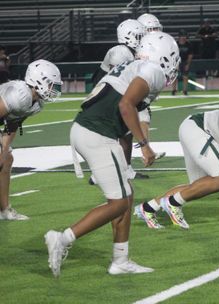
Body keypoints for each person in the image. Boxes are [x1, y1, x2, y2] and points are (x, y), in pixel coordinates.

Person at [44, 32, 180, 277]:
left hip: (91, 130)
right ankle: (62, 238)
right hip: (96, 133)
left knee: (126, 195)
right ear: (166, 55)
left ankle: (120, 260)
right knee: (118, 203)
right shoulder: (153, 71)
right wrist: (145, 145)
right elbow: (125, 106)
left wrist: (126, 163)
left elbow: (125, 123)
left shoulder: (133, 66)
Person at [0, 59, 62, 220]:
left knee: (6, 159)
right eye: (50, 84)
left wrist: (4, 149)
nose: (52, 89)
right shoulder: (18, 94)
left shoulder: (36, 104)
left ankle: (4, 210)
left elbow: (13, 124)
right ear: (38, 80)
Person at [89, 19, 149, 183]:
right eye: (139, 35)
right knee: (112, 137)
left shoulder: (130, 52)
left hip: (113, 94)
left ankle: (126, 169)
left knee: (126, 134)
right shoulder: (120, 51)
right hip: (106, 95)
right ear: (128, 36)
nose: (142, 39)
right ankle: (98, 173)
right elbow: (119, 80)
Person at [172, 29, 194, 96]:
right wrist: (176, 64)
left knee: (185, 76)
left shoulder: (189, 44)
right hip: (177, 61)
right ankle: (174, 90)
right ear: (179, 37)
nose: (183, 37)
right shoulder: (175, 44)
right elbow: (173, 54)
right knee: (174, 76)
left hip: (185, 61)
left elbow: (190, 55)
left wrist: (187, 64)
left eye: (184, 36)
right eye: (182, 36)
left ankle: (185, 90)